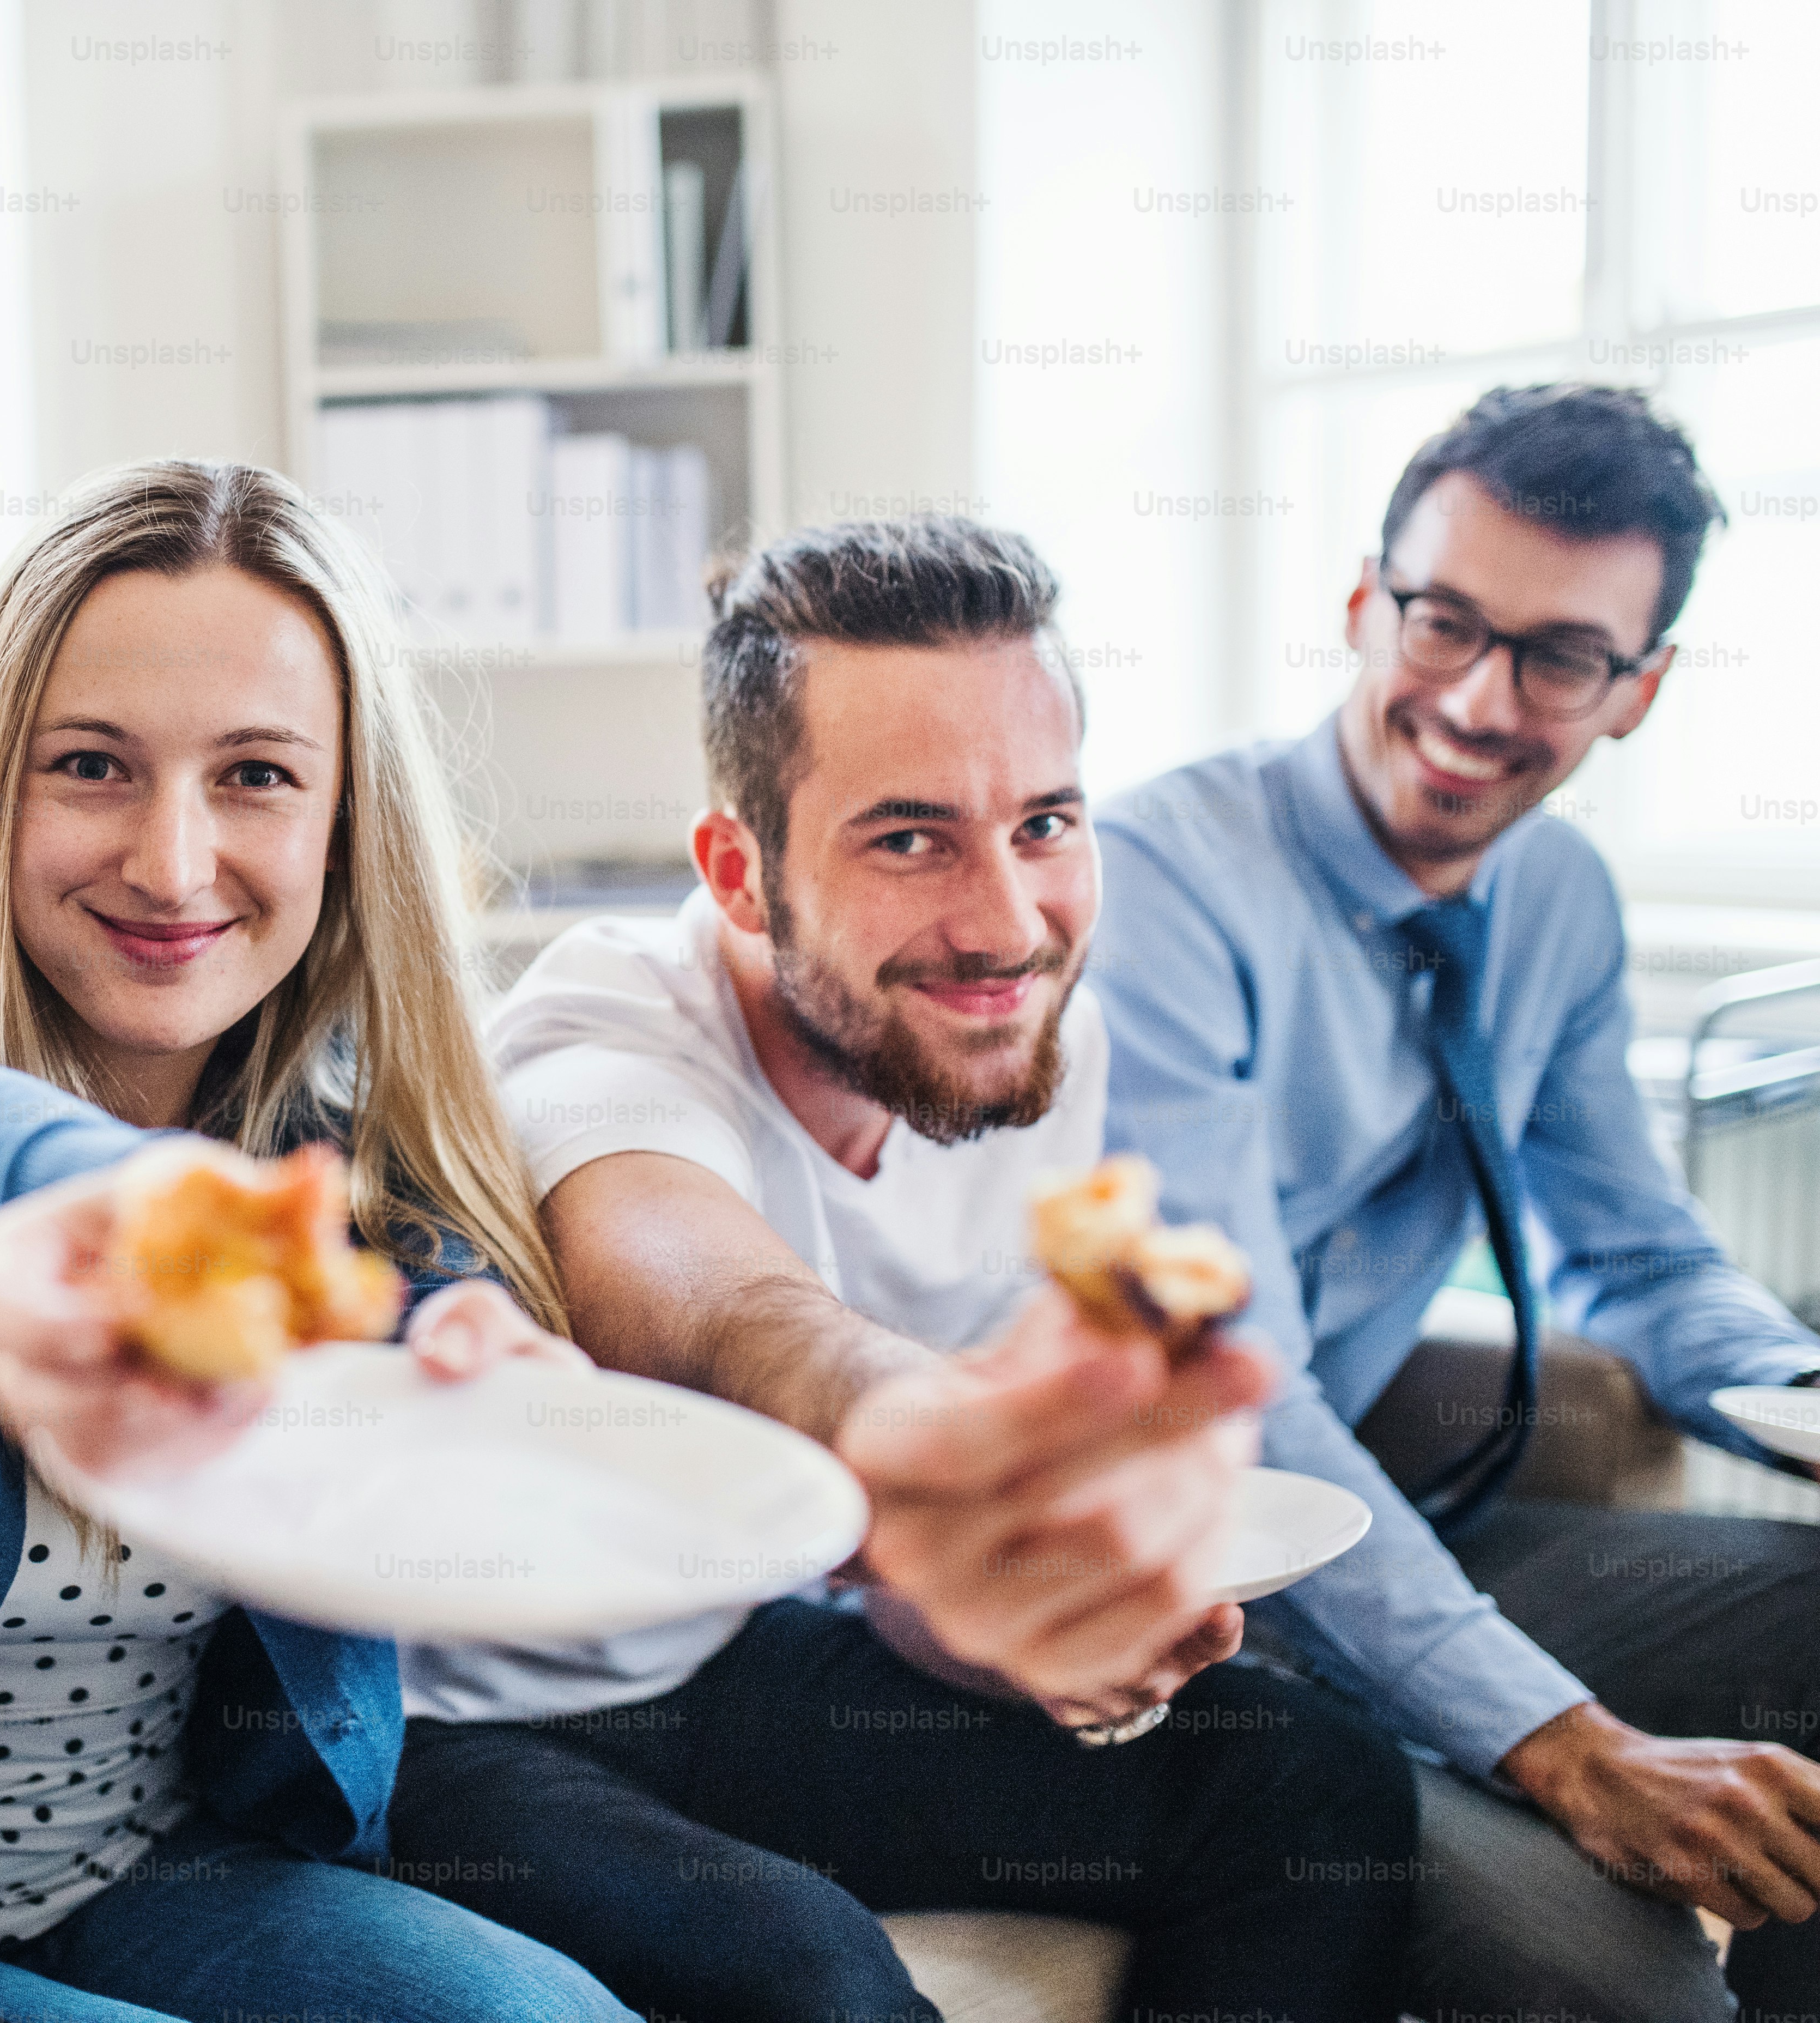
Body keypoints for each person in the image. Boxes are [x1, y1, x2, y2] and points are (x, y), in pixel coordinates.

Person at [384, 516, 1422, 2023]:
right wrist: (939, 1435)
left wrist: (1031, 1620)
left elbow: (901, 1590)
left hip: (738, 1657)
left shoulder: (1020, 1031)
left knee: (1312, 1785)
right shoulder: (601, 1030)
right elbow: (701, 1295)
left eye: (1047, 825)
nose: (1006, 922)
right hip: (473, 1726)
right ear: (742, 873)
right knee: (817, 1979)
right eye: (910, 837)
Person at [0, 458, 645, 2023]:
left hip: (152, 1878)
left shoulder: (342, 1168)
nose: (173, 864)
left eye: (254, 775)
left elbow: (451, 1418)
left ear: (341, 823)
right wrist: (115, 1207)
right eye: (93, 768)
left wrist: (500, 1414)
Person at [1092, 382, 1820, 2021]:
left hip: (1402, 1548)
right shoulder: (1162, 891)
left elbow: (1636, 1252)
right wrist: (1570, 1749)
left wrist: (1802, 1395)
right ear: (1363, 605)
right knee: (1630, 1995)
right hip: (1197, 1596)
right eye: (1442, 623)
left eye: (1560, 655)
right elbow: (1239, 1404)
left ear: (1636, 693)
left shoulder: (1559, 899)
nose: (1481, 700)